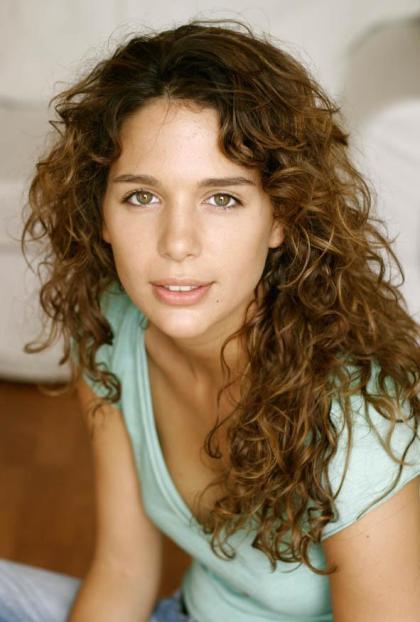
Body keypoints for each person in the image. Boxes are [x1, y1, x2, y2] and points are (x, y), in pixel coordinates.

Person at [3, 18, 419, 622]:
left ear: (281, 218)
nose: (177, 243)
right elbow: (122, 571)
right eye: (142, 196)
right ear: (102, 213)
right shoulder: (111, 328)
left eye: (222, 198)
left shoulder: (356, 420)